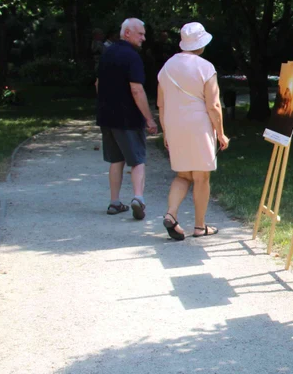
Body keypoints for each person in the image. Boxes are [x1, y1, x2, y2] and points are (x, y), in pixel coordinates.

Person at [157, 22, 229, 240]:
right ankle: (200, 226)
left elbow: (161, 104)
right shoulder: (206, 67)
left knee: (182, 175)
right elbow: (214, 105)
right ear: (202, 43)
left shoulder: (166, 67)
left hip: (174, 125)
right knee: (201, 177)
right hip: (198, 126)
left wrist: (166, 132)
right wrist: (221, 133)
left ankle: (171, 213)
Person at [95, 18, 157, 219]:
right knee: (137, 160)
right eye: (140, 34)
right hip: (128, 117)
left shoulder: (107, 53)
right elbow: (137, 90)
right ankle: (138, 198)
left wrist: (107, 102)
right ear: (127, 33)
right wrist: (149, 119)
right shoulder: (132, 57)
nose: (143, 38)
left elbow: (97, 84)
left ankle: (114, 202)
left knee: (116, 160)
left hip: (107, 116)